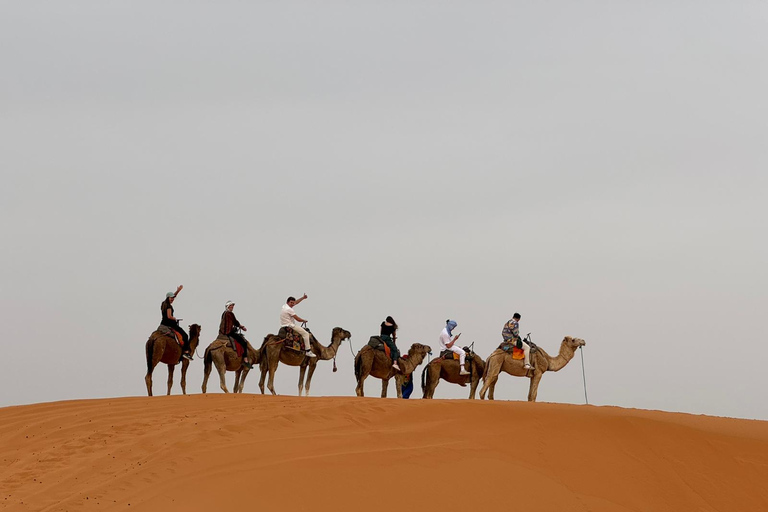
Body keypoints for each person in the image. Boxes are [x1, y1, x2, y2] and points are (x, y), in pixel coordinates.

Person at [160, 285, 191, 361]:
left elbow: (173, 296)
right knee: (185, 335)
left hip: (163, 323)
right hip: (170, 324)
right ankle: (186, 352)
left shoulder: (163, 304)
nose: (172, 299)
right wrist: (174, 318)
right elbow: (169, 316)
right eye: (171, 298)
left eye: (173, 298)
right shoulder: (168, 307)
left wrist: (178, 291)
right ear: (168, 298)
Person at [220, 301, 252, 368]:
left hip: (224, 332)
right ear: (228, 307)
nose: (232, 307)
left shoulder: (224, 313)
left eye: (232, 306)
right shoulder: (229, 313)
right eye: (231, 306)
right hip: (229, 332)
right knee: (244, 342)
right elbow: (235, 322)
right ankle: (245, 360)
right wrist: (241, 327)